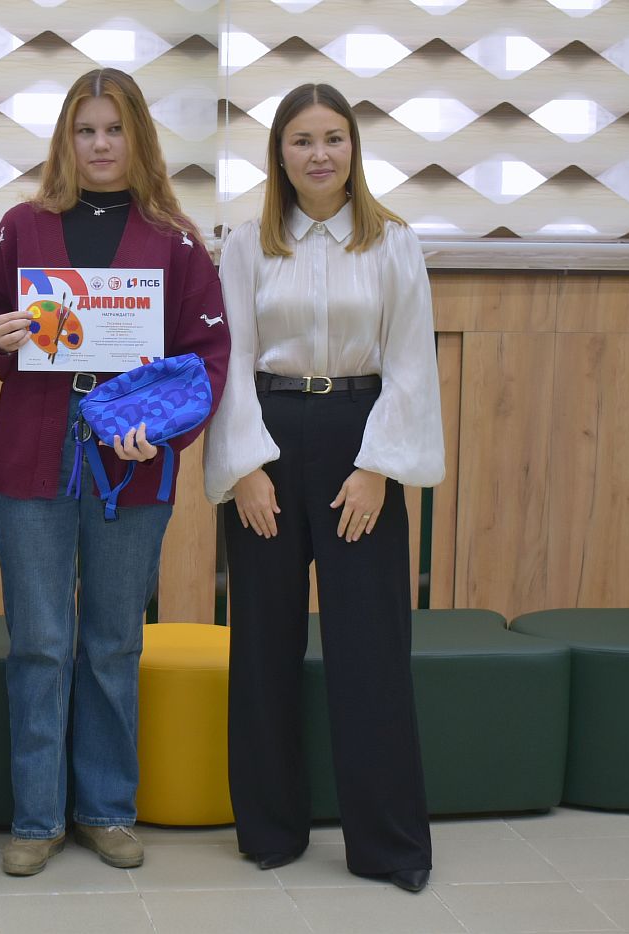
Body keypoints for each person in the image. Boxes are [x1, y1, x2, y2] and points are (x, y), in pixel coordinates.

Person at [0, 67, 230, 877]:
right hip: (32, 454)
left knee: (114, 641)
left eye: (114, 129)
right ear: (65, 139)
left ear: (139, 138)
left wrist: (162, 431)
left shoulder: (176, 241)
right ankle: (36, 817)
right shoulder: (22, 228)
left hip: (133, 464)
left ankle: (106, 810)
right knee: (41, 642)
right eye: (85, 130)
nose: (99, 144)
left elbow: (208, 358)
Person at [203, 82, 444, 893]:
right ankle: (271, 830)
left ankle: (390, 846)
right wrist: (244, 465)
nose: (319, 154)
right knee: (263, 642)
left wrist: (378, 468)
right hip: (268, 439)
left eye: (333, 138)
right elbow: (232, 358)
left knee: (371, 647)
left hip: (359, 440)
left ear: (353, 149)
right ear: (279, 153)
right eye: (302, 140)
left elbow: (409, 362)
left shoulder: (392, 243)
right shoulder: (247, 244)